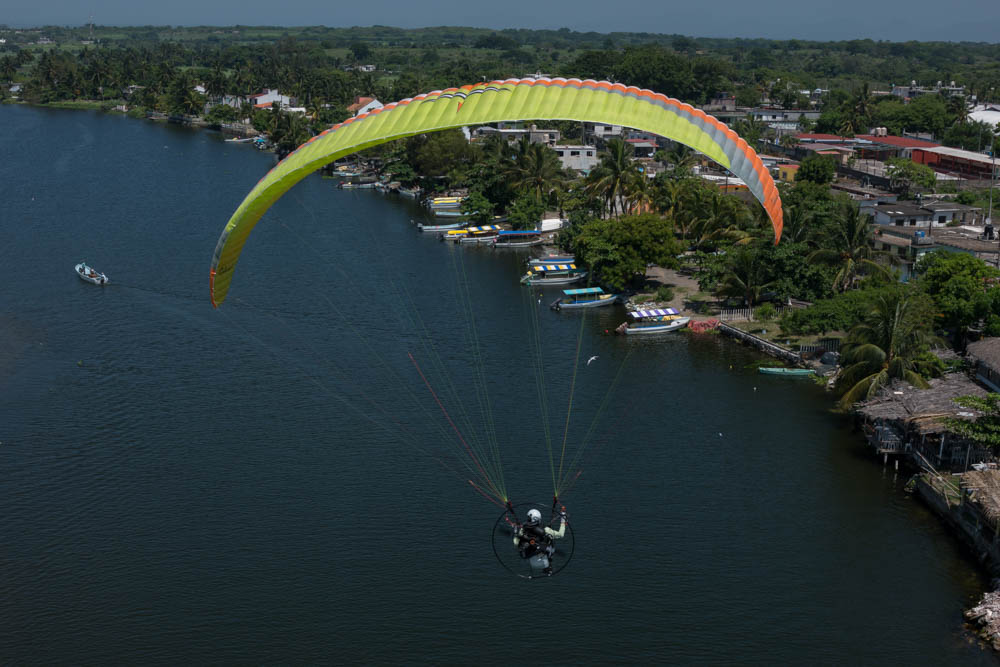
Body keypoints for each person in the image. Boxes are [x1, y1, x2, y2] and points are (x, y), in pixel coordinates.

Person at [513, 508, 566, 576]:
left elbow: (516, 542)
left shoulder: (523, 530)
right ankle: (548, 567)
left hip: (530, 561)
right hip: (544, 562)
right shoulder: (546, 530)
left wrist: (515, 533)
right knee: (549, 539)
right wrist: (563, 521)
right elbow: (561, 535)